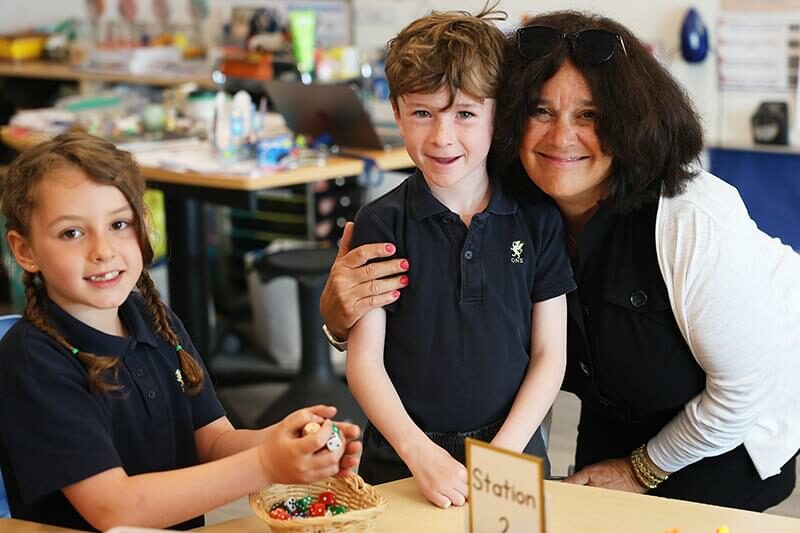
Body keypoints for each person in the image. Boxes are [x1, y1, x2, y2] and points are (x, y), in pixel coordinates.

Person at [321, 10, 800, 511]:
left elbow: (742, 391)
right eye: (541, 112)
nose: (561, 138)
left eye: (589, 115)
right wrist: (340, 319)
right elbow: (412, 324)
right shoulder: (519, 193)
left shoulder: (690, 218)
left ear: (628, 117)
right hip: (609, 426)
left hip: (725, 435)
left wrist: (637, 469)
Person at [0, 132, 361, 531]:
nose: (102, 250)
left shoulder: (155, 321)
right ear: (25, 251)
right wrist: (263, 464)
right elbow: (114, 510)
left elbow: (213, 443)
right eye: (72, 233)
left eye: (119, 224)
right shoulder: (33, 361)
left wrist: (288, 442)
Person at [344, 6, 576, 510]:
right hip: (402, 454)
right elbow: (364, 360)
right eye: (422, 113)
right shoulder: (380, 224)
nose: (442, 137)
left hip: (512, 446)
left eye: (465, 114)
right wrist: (418, 452)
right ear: (397, 113)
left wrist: (503, 454)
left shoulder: (537, 216)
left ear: (498, 112)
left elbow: (550, 354)